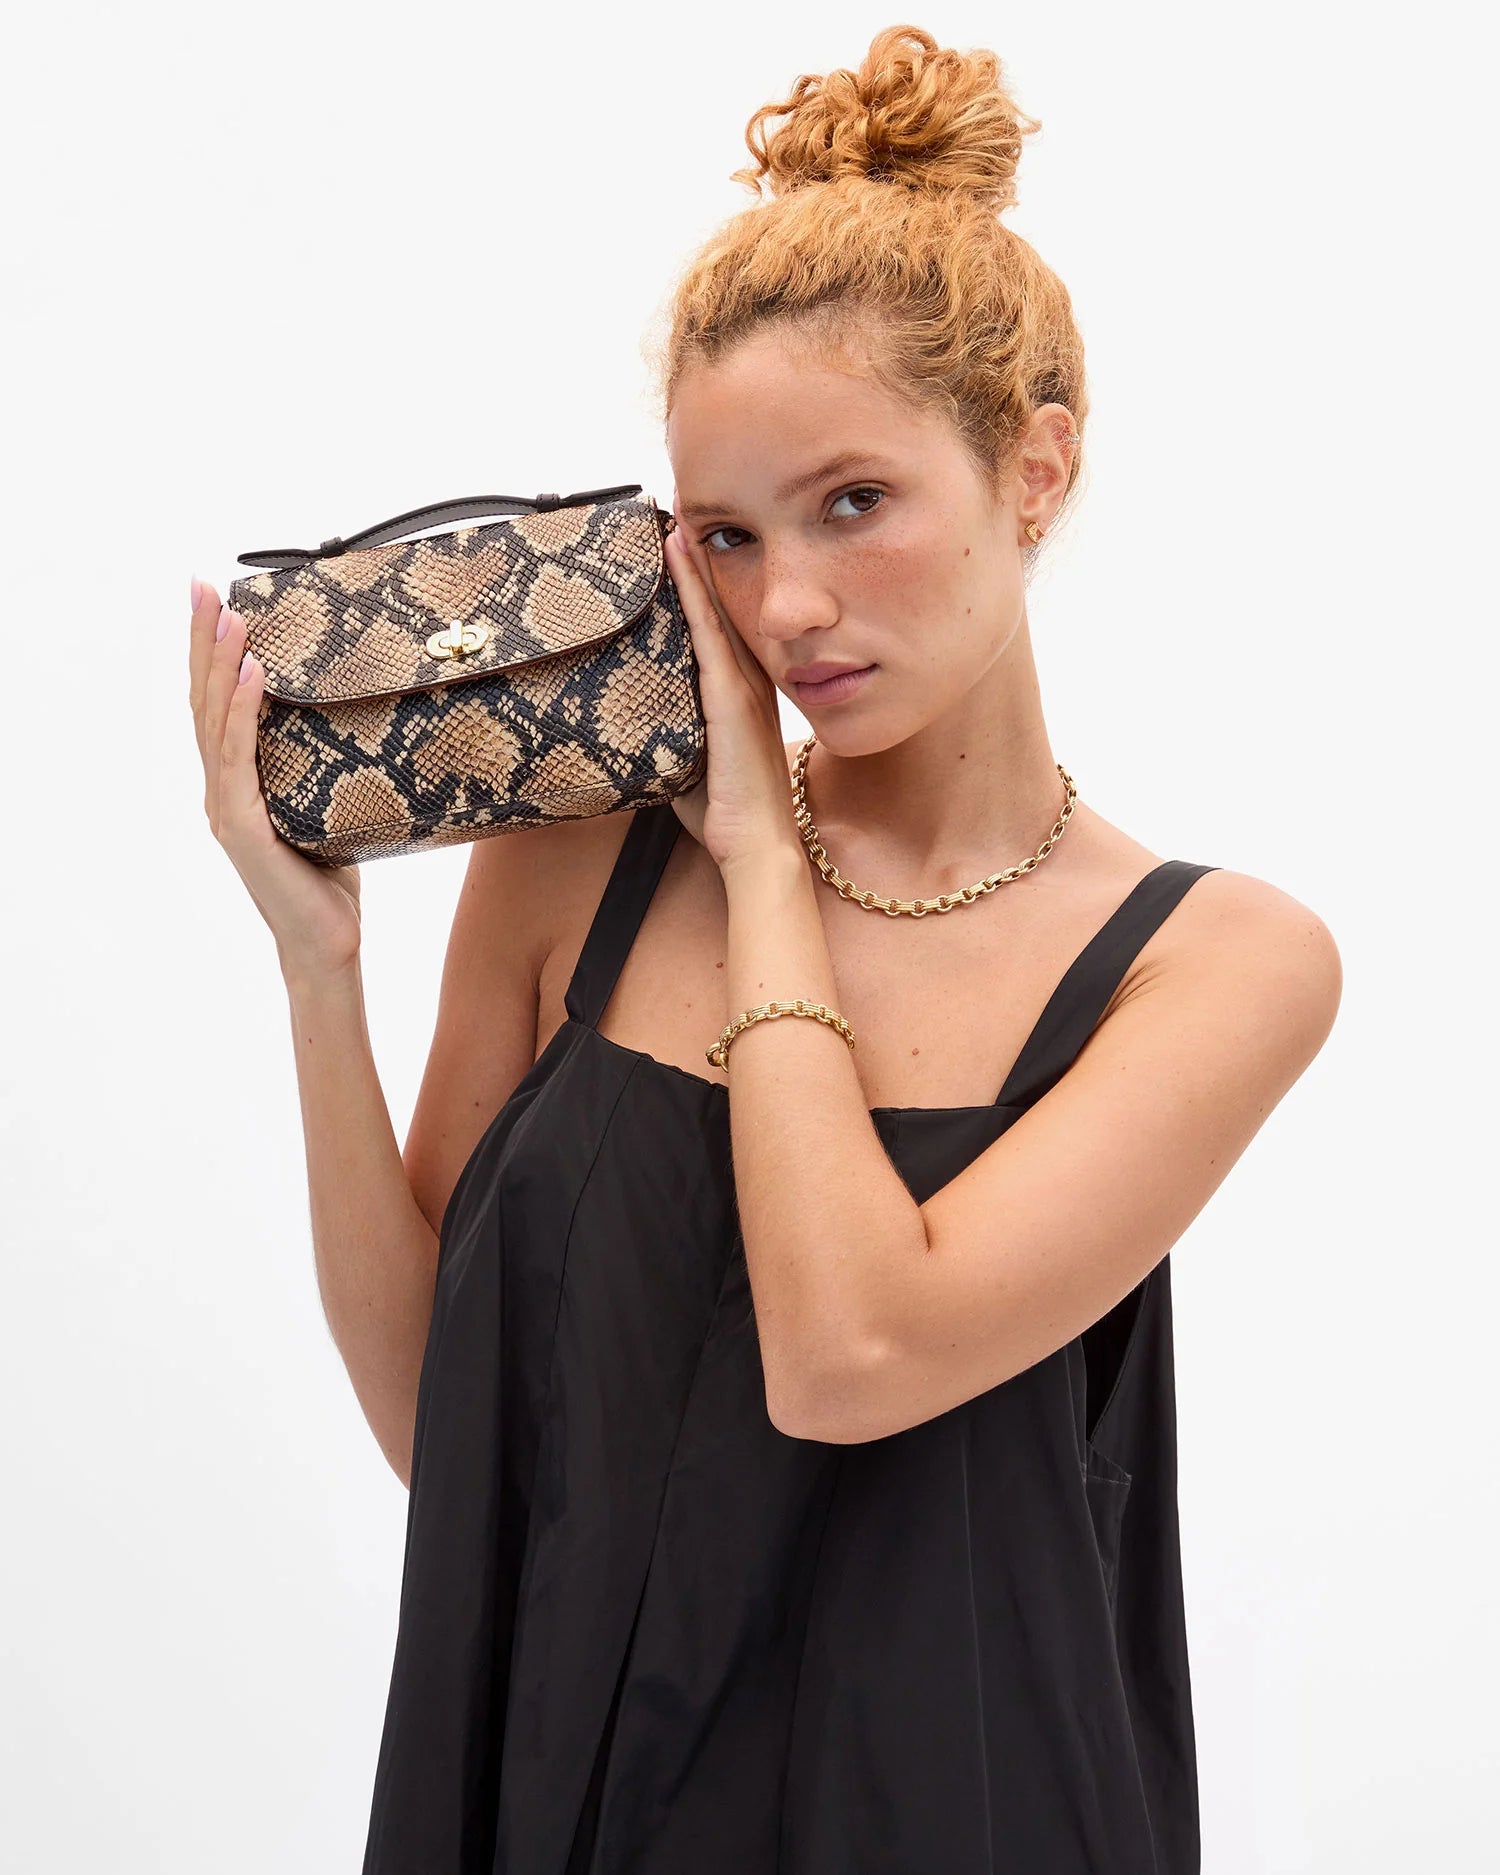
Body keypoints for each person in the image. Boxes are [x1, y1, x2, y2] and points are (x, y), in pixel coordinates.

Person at [188, 24, 1341, 1874]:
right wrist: (317, 972)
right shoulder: (578, 864)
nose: (788, 605)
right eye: (724, 535)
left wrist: (761, 858)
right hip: (560, 1804)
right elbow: (442, 1432)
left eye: (854, 503)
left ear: (1035, 469)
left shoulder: (1212, 963)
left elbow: (846, 1355)